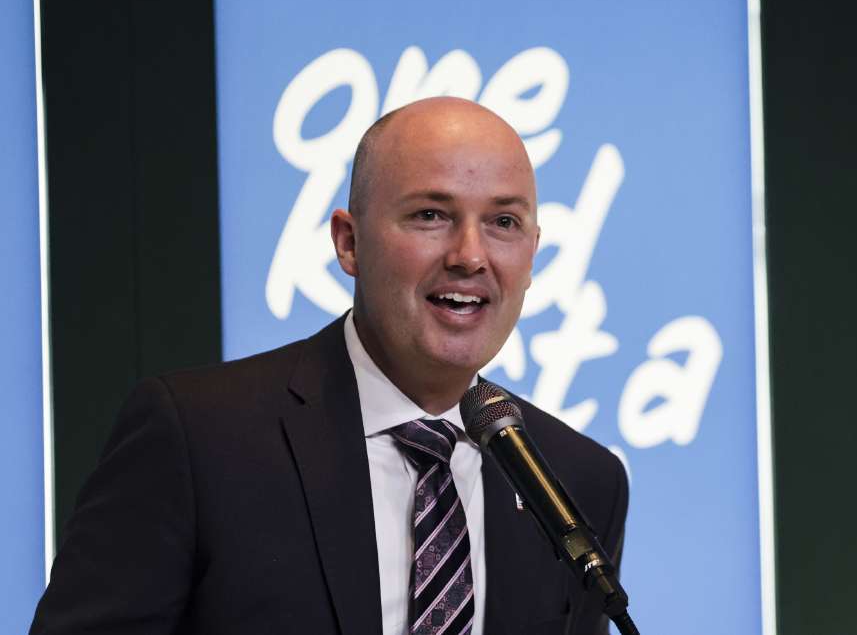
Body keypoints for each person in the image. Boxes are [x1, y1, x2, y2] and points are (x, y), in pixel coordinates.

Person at [30, 97, 629, 635]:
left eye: (503, 222)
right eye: (430, 215)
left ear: (531, 255)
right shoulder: (196, 438)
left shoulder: (579, 480)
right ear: (348, 242)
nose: (470, 256)